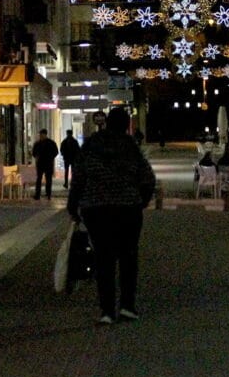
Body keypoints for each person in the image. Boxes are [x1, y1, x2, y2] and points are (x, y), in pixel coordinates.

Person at [67, 106, 156, 324]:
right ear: (126, 125)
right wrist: (140, 200)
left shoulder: (91, 145)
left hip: (96, 209)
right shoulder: (130, 147)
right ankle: (127, 306)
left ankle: (106, 311)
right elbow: (147, 178)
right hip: (127, 208)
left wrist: (74, 206)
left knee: (103, 258)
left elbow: (78, 178)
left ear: (107, 122)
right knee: (128, 257)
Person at [31, 129, 59, 200]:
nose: (41, 136)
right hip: (41, 163)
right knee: (39, 179)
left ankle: (48, 194)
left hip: (47, 163)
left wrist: (50, 157)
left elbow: (56, 152)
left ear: (45, 135)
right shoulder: (38, 143)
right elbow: (34, 152)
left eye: (42, 135)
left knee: (48, 179)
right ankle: (38, 194)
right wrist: (36, 157)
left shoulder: (50, 143)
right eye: (40, 135)